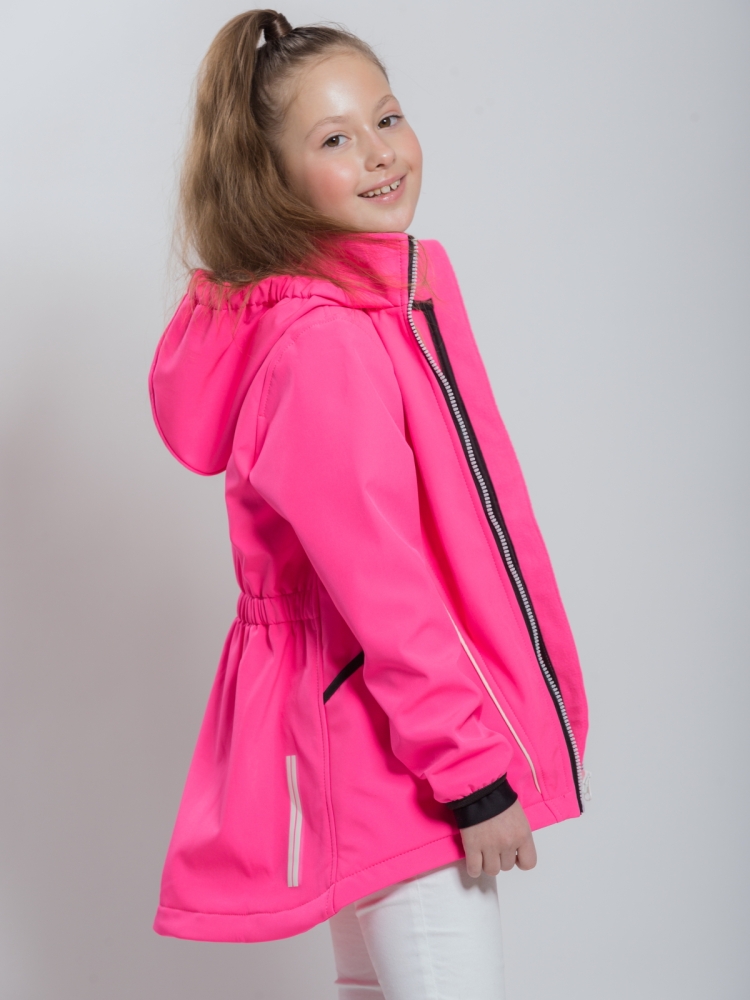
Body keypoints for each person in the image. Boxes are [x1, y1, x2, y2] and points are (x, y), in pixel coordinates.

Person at [149, 9, 589, 999]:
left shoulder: (359, 309)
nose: (380, 154)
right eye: (335, 140)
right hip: (401, 764)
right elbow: (385, 588)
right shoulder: (326, 344)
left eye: (386, 118)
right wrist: (470, 774)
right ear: (272, 179)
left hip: (361, 740)